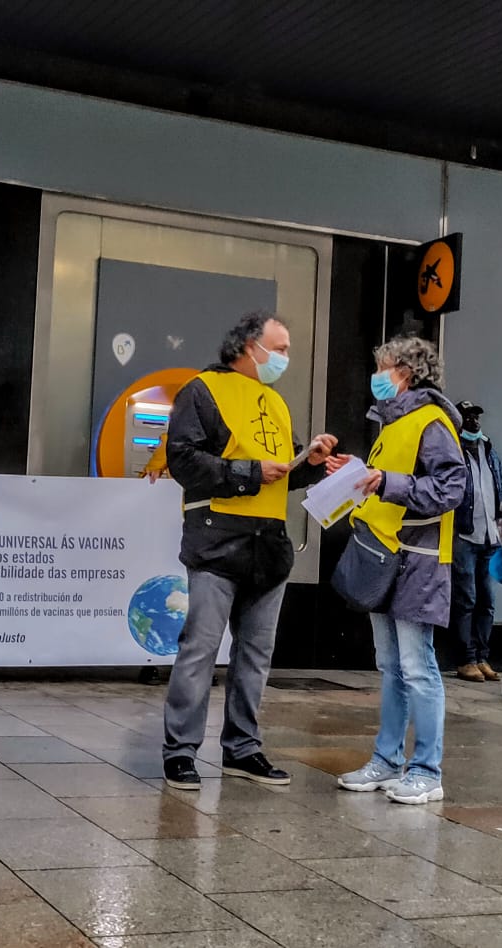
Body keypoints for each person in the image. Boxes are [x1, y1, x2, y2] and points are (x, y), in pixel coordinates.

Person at [159, 312, 337, 792]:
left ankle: (242, 747)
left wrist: (310, 464)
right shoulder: (202, 391)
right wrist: (248, 473)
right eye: (278, 347)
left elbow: (281, 473)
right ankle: (180, 752)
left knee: (256, 654)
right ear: (246, 346)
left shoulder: (275, 401)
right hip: (217, 539)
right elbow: (183, 459)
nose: (284, 357)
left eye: (286, 349)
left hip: (269, 543)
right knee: (200, 649)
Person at [333, 336, 468, 805]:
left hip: (418, 561)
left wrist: (387, 482)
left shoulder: (430, 422)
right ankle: (387, 760)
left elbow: (452, 487)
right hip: (388, 557)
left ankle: (427, 770)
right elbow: (396, 484)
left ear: (406, 373)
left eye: (383, 366)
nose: (377, 375)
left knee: (416, 666)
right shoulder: (395, 423)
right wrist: (356, 474)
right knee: (392, 667)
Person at [449, 400, 502, 683]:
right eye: (468, 417)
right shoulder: (454, 451)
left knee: (487, 600)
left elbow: (498, 486)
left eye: (476, 416)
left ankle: (482, 656)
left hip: (489, 535)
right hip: (464, 534)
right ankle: (465, 659)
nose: (474, 421)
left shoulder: (488, 449)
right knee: (466, 598)